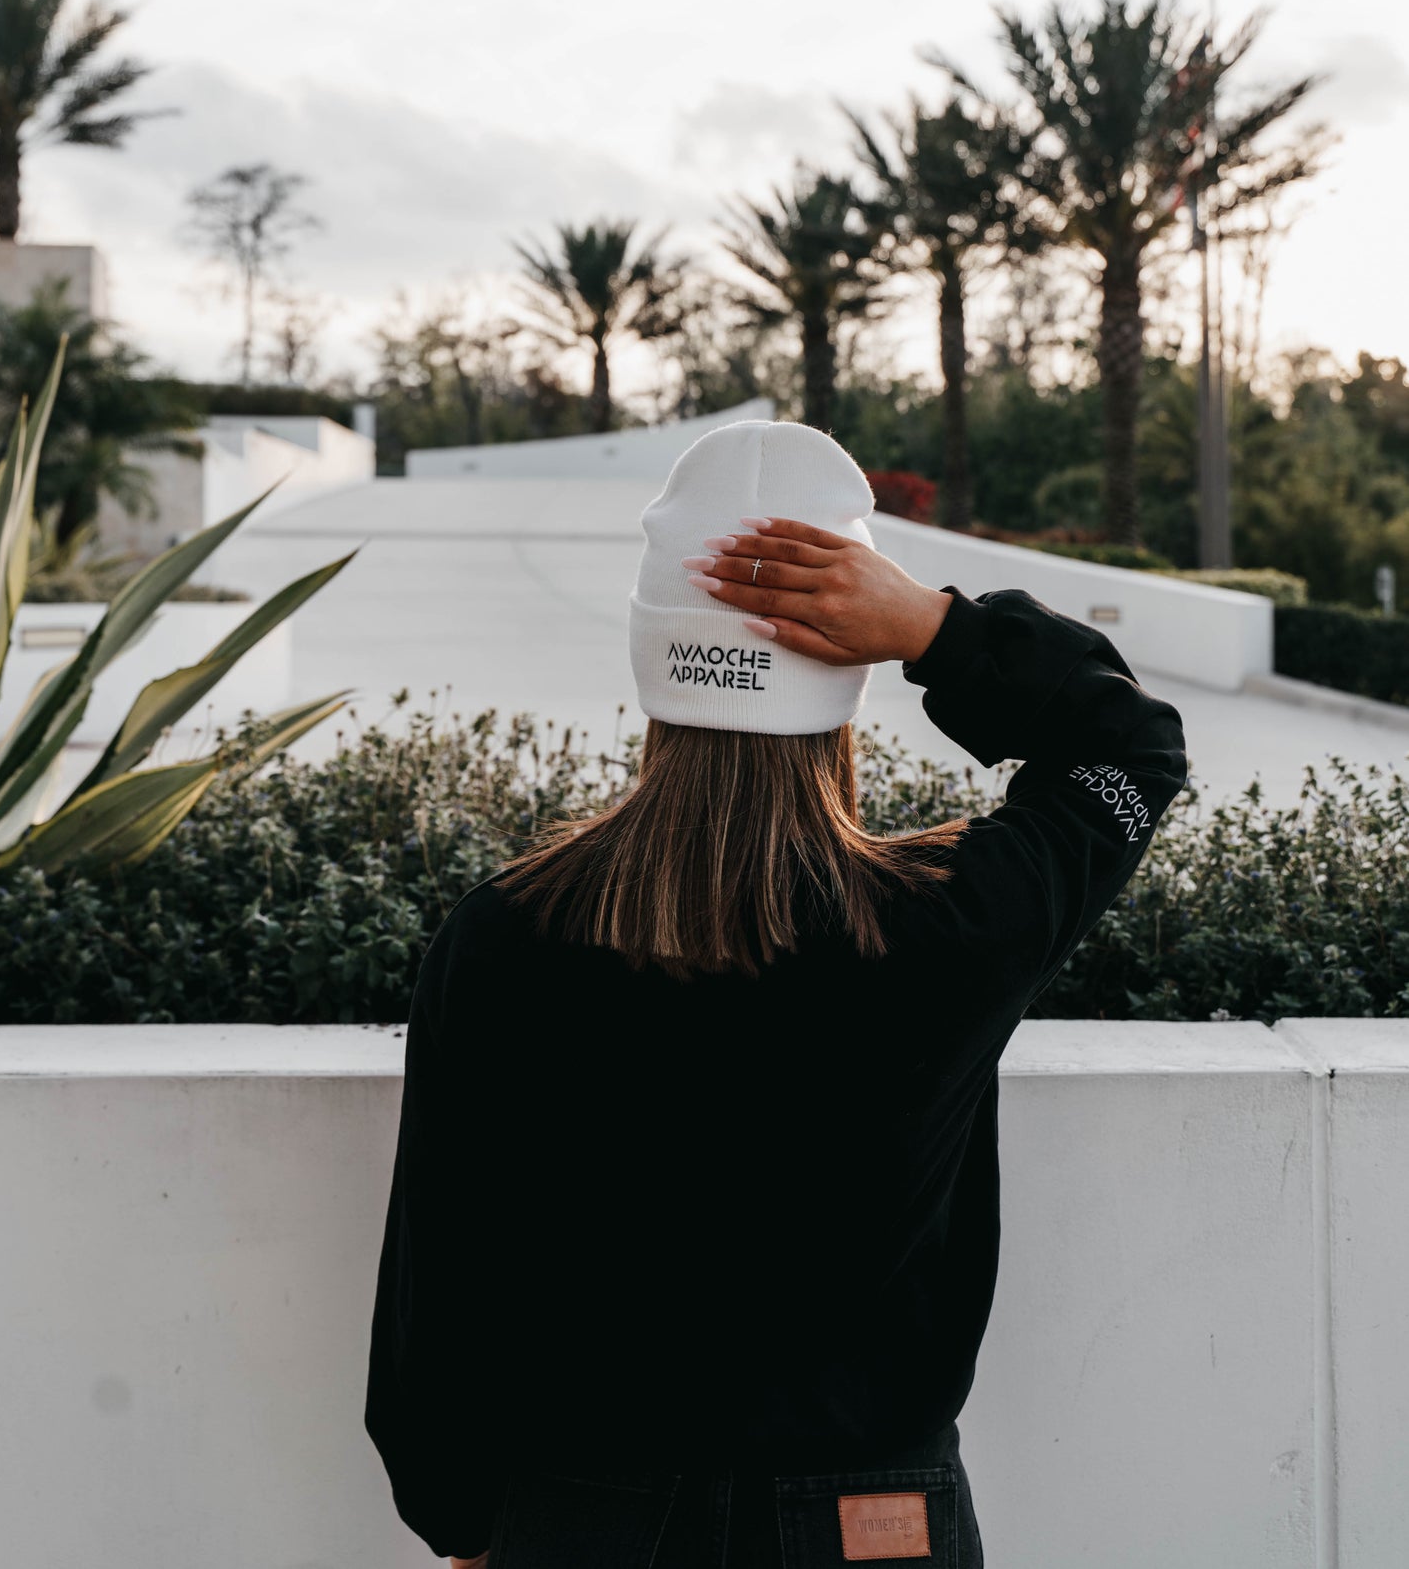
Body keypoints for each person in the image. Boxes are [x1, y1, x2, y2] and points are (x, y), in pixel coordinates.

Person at [366, 419, 1187, 1567]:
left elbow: (443, 1278)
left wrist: (459, 1516)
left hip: (583, 1510)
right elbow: (1129, 753)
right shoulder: (949, 921)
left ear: (651, 672)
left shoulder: (509, 933)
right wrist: (938, 629)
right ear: (840, 675)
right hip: (873, 1528)